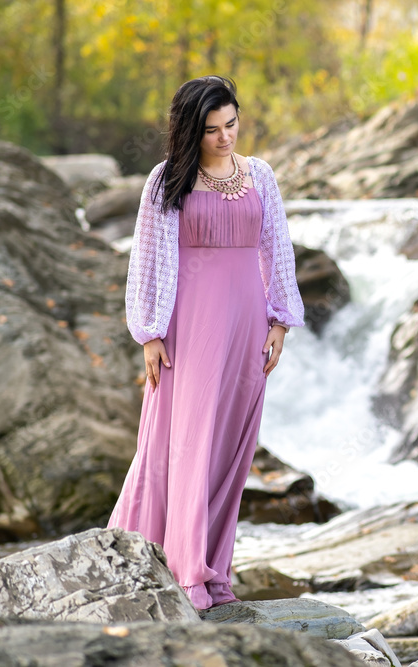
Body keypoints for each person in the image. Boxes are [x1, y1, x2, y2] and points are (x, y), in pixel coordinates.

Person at [107, 75, 305, 610]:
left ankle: (214, 569)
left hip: (246, 328)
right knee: (187, 445)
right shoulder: (166, 180)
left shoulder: (260, 175)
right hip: (188, 329)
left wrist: (280, 322)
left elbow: (277, 251)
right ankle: (185, 572)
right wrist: (149, 334)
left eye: (232, 124)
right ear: (191, 130)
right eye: (213, 129)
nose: (225, 138)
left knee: (229, 449)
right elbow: (144, 260)